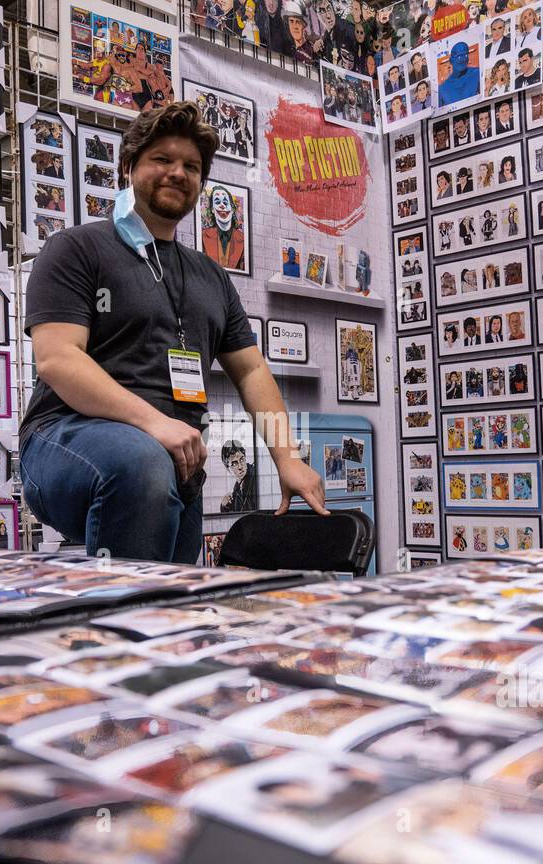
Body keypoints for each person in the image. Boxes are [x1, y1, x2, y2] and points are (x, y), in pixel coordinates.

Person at [18, 102, 325, 562]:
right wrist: (155, 425)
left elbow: (251, 370)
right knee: (140, 463)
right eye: (162, 159)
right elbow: (58, 359)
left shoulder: (211, 277)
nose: (178, 173)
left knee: (175, 601)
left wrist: (287, 457)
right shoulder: (76, 248)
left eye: (192, 167)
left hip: (178, 460)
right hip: (64, 437)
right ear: (128, 168)